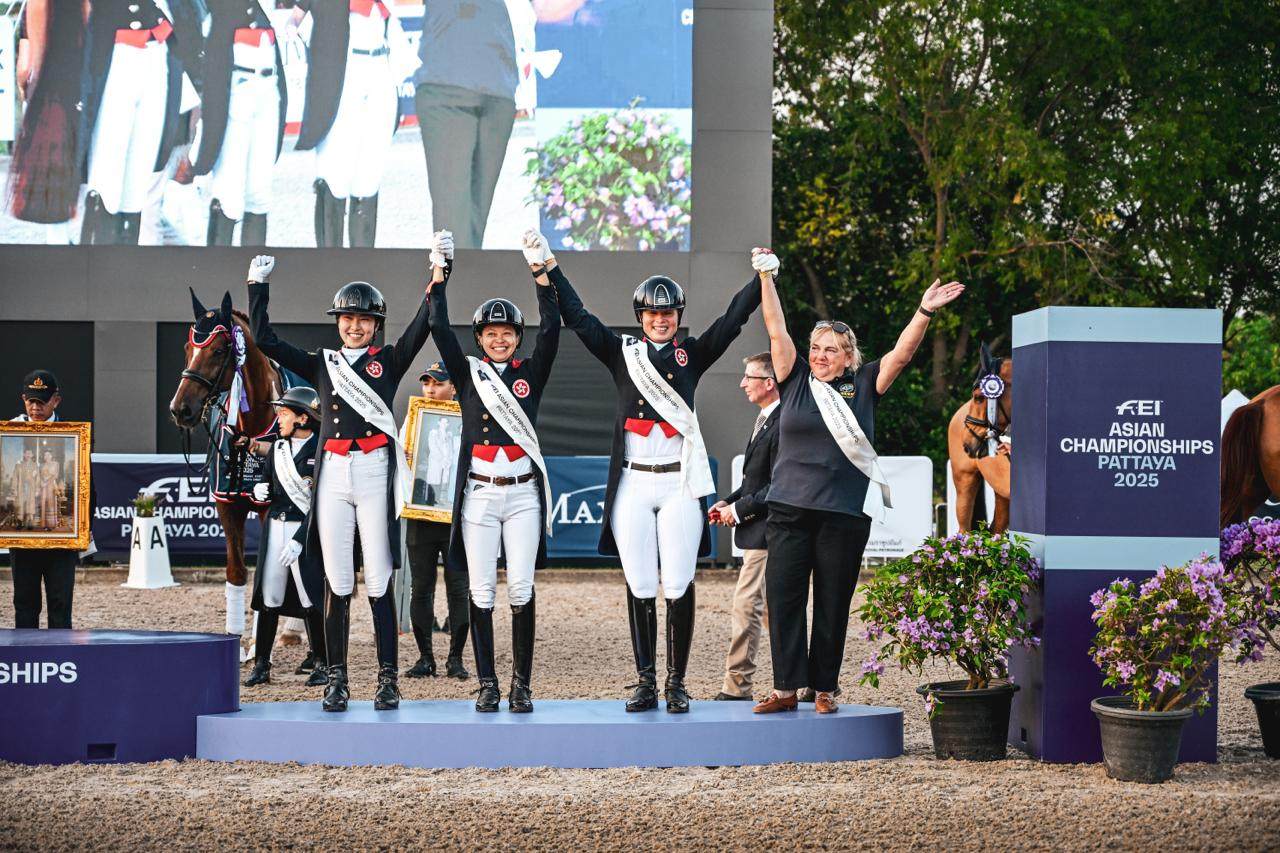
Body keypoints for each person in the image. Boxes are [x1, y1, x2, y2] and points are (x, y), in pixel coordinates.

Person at [547, 242, 764, 713]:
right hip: (632, 483)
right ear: (640, 317)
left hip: (678, 484)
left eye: (667, 314)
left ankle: (676, 682)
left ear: (677, 316)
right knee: (641, 583)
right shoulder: (622, 353)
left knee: (679, 583)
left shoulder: (692, 354)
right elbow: (580, 318)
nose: (659, 320)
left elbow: (732, 321)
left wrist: (762, 279)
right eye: (651, 314)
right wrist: (550, 268)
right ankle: (645, 680)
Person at [751, 249, 965, 715]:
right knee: (784, 601)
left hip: (842, 515)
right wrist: (766, 277)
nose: (820, 355)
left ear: (848, 357)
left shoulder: (865, 382)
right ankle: (787, 688)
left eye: (831, 349)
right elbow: (775, 329)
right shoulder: (793, 378)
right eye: (817, 347)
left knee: (832, 605)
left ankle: (824, 688)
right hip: (788, 509)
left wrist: (924, 311)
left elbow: (903, 353)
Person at [247, 241, 441, 712]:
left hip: (374, 469)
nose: (354, 327)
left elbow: (424, 323)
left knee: (377, 576)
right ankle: (337, 678)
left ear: (376, 326)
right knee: (337, 579)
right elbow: (266, 339)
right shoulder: (322, 362)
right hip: (333, 471)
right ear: (338, 323)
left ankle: (388, 679)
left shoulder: (389, 361)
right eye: (347, 320)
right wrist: (257, 287)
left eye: (364, 320)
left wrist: (440, 273)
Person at [428, 229, 559, 712]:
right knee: (481, 589)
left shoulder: (531, 373)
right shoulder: (468, 373)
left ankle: (521, 684)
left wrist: (539, 273)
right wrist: (441, 274)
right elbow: (439, 328)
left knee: (521, 587)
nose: (500, 339)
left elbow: (552, 328)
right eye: (491, 334)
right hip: (479, 496)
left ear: (515, 340)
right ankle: (487, 682)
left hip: (523, 494)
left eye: (507, 333)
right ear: (480, 340)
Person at [8, 0, 204, 244]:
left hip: (159, 52)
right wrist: (33, 56)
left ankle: (119, 271)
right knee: (105, 186)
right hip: (110, 55)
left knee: (136, 188)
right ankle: (94, 271)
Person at [290, 0, 418, 247]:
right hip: (344, 71)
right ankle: (329, 266)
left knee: (369, 176)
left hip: (380, 66)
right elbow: (297, 16)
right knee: (335, 175)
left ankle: (363, 265)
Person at [237, 387, 328, 688]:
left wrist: (301, 538)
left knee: (309, 596)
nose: (278, 420)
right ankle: (262, 661)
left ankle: (321, 661)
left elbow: (321, 503)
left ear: (304, 418)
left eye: (284, 414)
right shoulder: (276, 449)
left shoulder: (321, 451)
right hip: (276, 528)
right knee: (269, 596)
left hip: (305, 532)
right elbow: (269, 486)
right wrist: (258, 492)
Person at [413, 0, 518, 249]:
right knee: (454, 229)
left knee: (473, 225)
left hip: (499, 88)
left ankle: (467, 285)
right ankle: (457, 287)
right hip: (447, 87)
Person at [709, 352, 780, 702]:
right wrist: (729, 502)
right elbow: (756, 482)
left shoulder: (780, 422)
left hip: (768, 533)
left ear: (769, 383)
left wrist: (737, 511)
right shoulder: (766, 419)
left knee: (746, 605)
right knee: (767, 611)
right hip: (759, 530)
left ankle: (737, 687)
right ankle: (798, 681)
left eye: (749, 377)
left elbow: (777, 485)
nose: (742, 383)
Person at [191, 0, 288, 246]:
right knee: (228, 194)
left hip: (268, 89)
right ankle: (218, 275)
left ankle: (254, 278)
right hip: (237, 90)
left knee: (259, 194)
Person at [403, 363, 471, 681]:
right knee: (421, 588)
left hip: (457, 517)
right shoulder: (414, 418)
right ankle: (425, 657)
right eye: (427, 383)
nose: (430, 389)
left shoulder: (468, 417)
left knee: (459, 589)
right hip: (421, 513)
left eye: (438, 383)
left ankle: (455, 658)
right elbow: (404, 459)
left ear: (453, 387)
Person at [8, 371, 78, 628]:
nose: (36, 408)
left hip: (61, 541)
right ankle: (26, 659)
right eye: (31, 401)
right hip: (24, 537)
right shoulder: (10, 433)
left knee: (60, 602)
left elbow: (86, 486)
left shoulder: (73, 436)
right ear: (23, 400)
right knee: (24, 602)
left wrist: (83, 528)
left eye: (42, 401)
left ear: (56, 401)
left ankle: (61, 658)